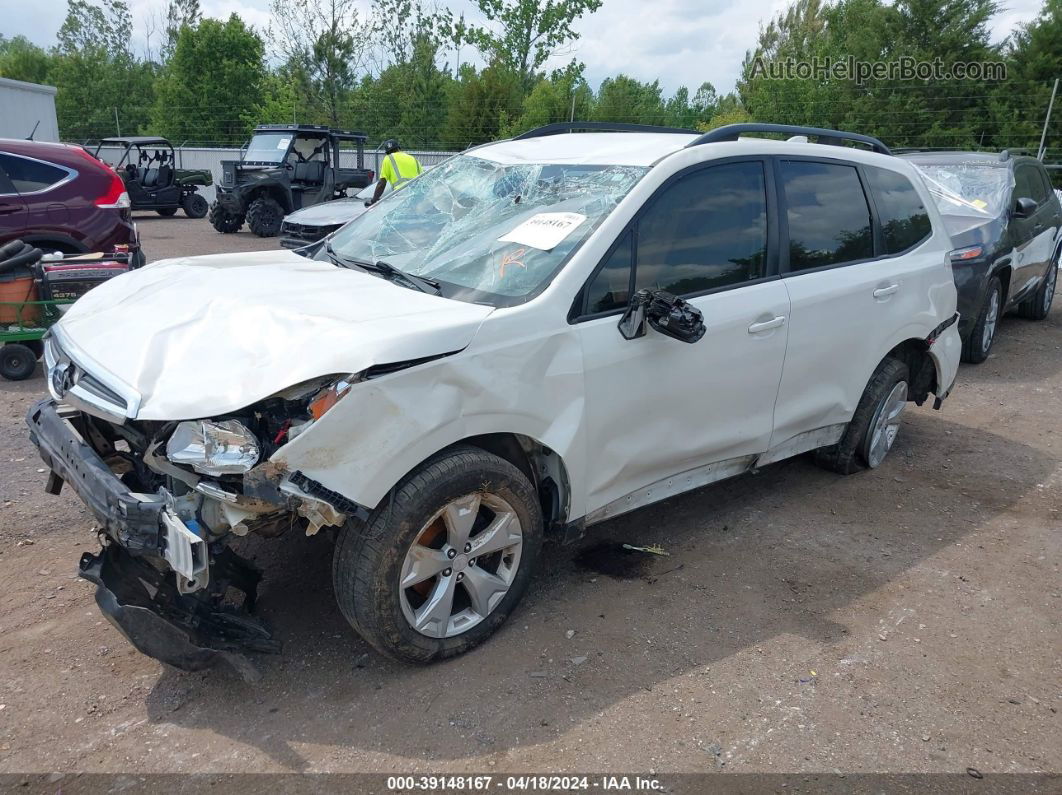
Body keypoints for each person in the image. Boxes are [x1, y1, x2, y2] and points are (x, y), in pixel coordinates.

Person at [366, 139, 422, 206]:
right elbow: (423, 179)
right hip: (417, 195)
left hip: (401, 195)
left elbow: (381, 183)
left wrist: (373, 201)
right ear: (399, 148)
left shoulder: (388, 158)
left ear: (387, 152)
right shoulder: (414, 159)